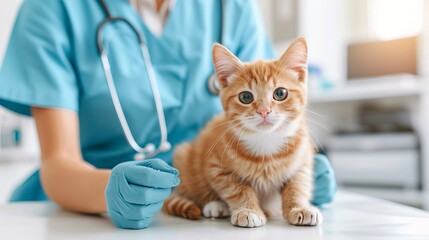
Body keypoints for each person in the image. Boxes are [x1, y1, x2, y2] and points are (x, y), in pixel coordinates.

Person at [0, 0, 336, 229]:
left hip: (206, 205)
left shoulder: (229, 7)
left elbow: (270, 95)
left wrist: (288, 176)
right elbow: (58, 163)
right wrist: (110, 190)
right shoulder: (53, 8)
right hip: (84, 209)